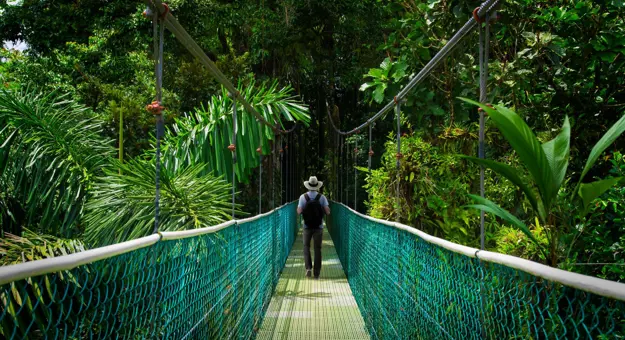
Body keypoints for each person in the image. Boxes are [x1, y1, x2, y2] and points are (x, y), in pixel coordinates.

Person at [297, 176, 331, 279]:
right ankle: (317, 273)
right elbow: (328, 212)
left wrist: (304, 210)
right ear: (317, 186)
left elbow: (298, 211)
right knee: (318, 249)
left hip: (307, 226)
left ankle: (308, 268)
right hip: (318, 227)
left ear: (308, 185)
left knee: (306, 247)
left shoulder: (303, 197)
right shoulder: (322, 197)